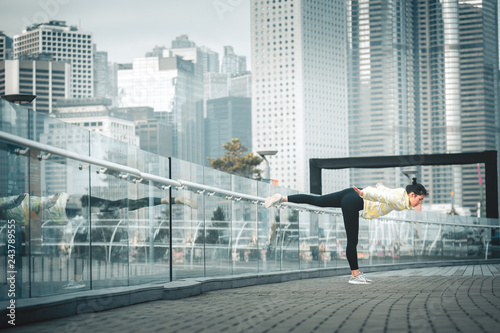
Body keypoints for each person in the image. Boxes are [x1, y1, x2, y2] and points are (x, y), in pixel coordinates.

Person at [264, 178, 427, 285]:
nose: (418, 203)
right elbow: (384, 198)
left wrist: (379, 187)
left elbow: (386, 192)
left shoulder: (401, 193)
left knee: (318, 200)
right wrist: (366, 193)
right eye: (419, 199)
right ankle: (355, 276)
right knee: (352, 241)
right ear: (412, 194)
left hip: (352, 193)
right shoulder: (399, 199)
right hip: (356, 199)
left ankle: (283, 198)